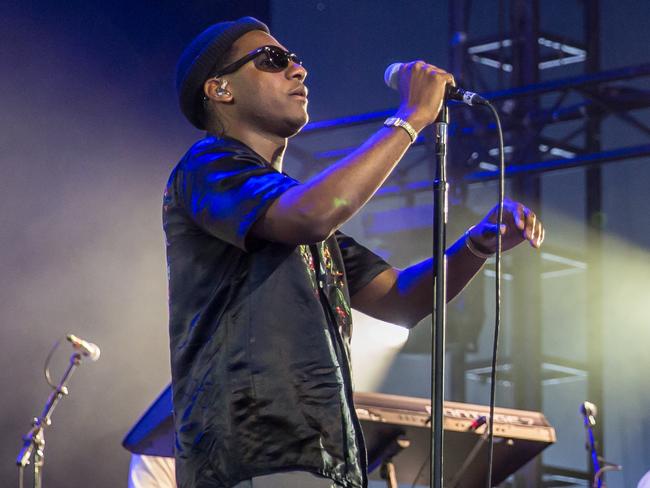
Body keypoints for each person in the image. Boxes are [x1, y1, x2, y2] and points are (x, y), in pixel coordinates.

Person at [165, 16, 544, 488]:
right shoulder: (208, 166)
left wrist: (476, 246)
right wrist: (409, 118)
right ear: (221, 89)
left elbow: (402, 298)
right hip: (254, 456)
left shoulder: (296, 210)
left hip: (322, 459)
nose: (298, 71)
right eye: (273, 60)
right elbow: (312, 214)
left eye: (297, 61)